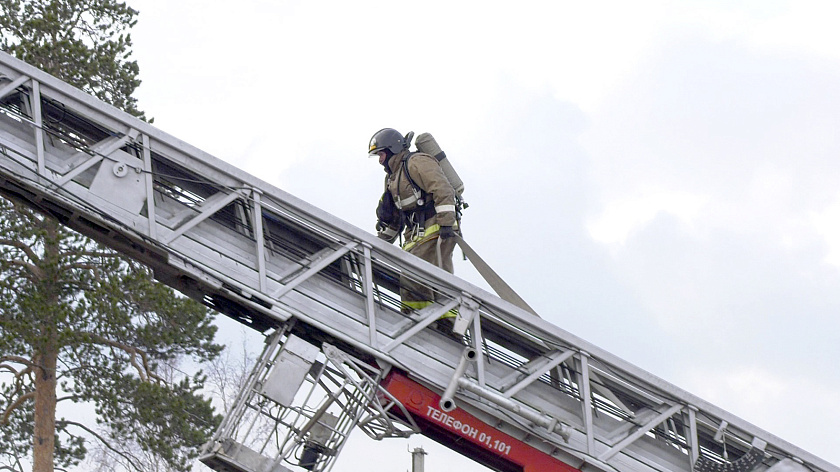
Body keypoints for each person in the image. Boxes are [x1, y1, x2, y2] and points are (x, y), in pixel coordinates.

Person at [369, 128, 459, 313]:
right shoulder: (392, 178)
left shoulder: (417, 162)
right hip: (417, 235)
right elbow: (396, 217)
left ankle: (430, 324)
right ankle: (422, 321)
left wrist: (446, 225)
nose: (379, 160)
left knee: (415, 277)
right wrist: (377, 243)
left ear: (392, 149)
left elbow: (443, 190)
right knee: (419, 279)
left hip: (436, 228)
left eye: (381, 154)